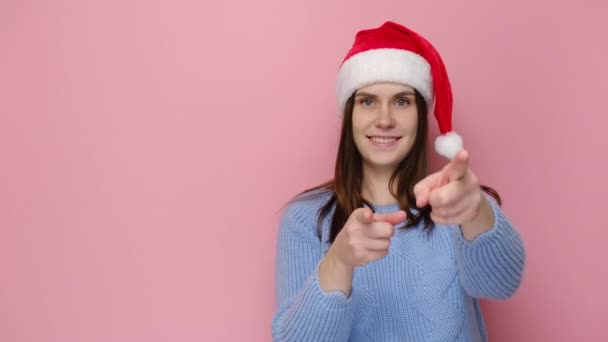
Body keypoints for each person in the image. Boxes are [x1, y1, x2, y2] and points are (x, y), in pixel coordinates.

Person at [271, 21, 526, 342]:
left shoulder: (455, 202)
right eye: (367, 101)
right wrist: (339, 261)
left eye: (402, 101)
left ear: (421, 113)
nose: (385, 119)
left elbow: (500, 284)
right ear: (349, 114)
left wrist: (476, 212)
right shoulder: (307, 218)